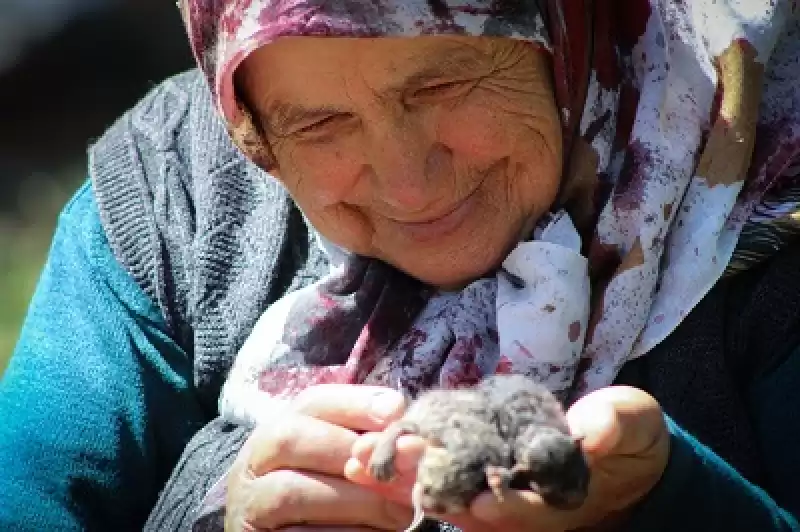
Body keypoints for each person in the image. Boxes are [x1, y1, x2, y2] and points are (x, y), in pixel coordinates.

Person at [0, 0, 799, 530]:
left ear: (567, 34)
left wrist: (668, 501)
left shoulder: (757, 177)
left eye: (447, 81)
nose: (412, 182)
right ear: (254, 133)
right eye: (319, 125)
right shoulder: (178, 192)